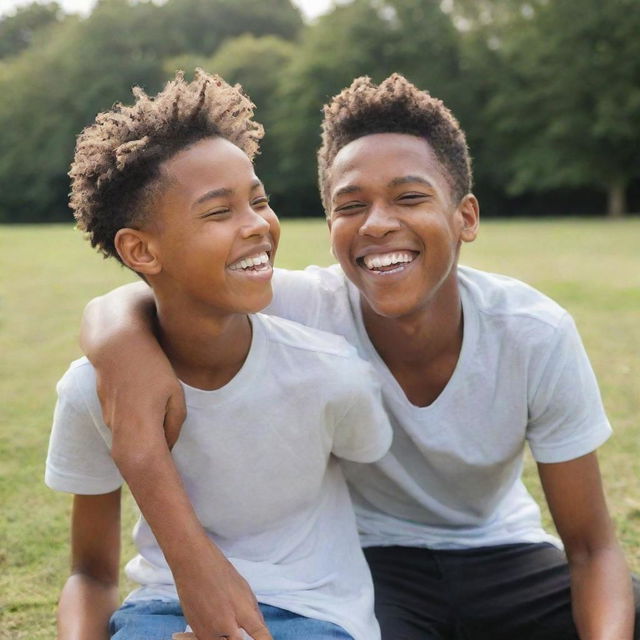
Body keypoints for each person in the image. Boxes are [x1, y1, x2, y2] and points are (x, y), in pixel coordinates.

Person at [80, 73, 639, 639]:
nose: (377, 223)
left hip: (503, 551)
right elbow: (159, 291)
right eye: (351, 206)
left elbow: (594, 550)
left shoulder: (532, 333)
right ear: (330, 228)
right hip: (375, 565)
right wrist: (122, 346)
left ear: (465, 217)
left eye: (410, 197)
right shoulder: (297, 307)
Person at [45, 70, 393, 640]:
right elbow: (89, 572)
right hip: (159, 611)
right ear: (140, 249)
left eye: (258, 200)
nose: (257, 225)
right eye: (218, 212)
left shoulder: (330, 374)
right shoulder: (93, 391)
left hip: (316, 614)